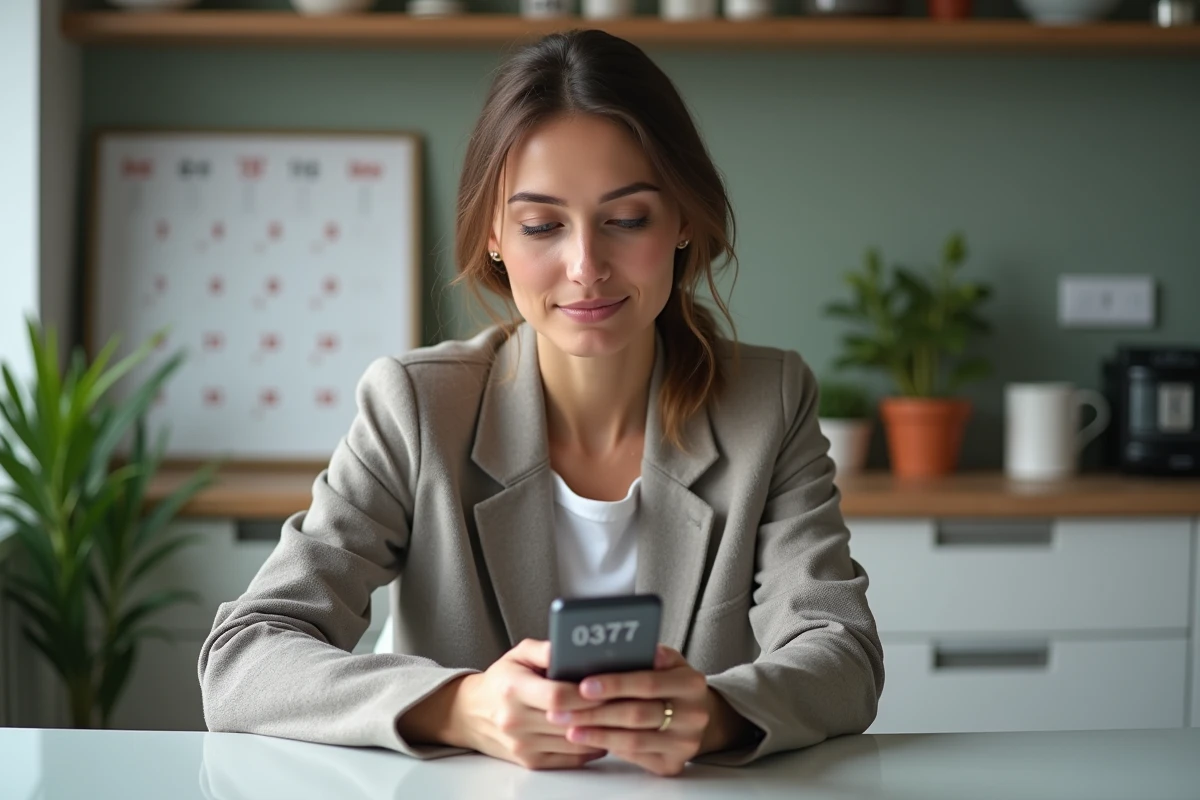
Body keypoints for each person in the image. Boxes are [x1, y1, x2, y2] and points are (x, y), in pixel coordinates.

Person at [198, 28, 883, 777]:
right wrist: (463, 706)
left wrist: (716, 714)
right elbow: (243, 655)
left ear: (683, 220)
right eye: (541, 225)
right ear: (493, 234)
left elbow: (841, 649)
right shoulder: (415, 409)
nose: (586, 266)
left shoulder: (768, 402)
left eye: (627, 220)